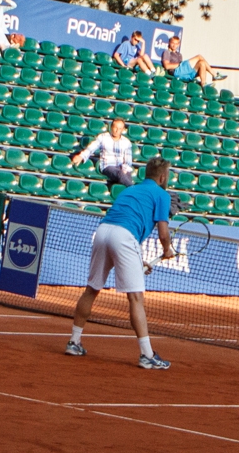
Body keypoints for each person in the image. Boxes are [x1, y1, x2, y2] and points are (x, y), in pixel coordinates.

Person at [65, 156, 176, 370]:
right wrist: (167, 249)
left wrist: (139, 260)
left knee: (91, 289)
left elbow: (122, 226)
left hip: (103, 231)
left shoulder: (129, 190)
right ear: (162, 177)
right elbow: (163, 234)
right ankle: (147, 355)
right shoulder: (162, 195)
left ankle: (74, 342)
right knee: (136, 298)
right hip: (124, 237)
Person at [71, 118, 137, 188]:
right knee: (120, 174)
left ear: (123, 129)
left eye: (120, 128)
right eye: (115, 127)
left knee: (126, 174)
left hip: (121, 167)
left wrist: (125, 169)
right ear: (111, 127)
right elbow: (91, 148)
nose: (117, 130)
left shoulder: (126, 142)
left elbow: (127, 160)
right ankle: (134, 189)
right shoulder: (103, 137)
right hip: (108, 166)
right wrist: (81, 156)